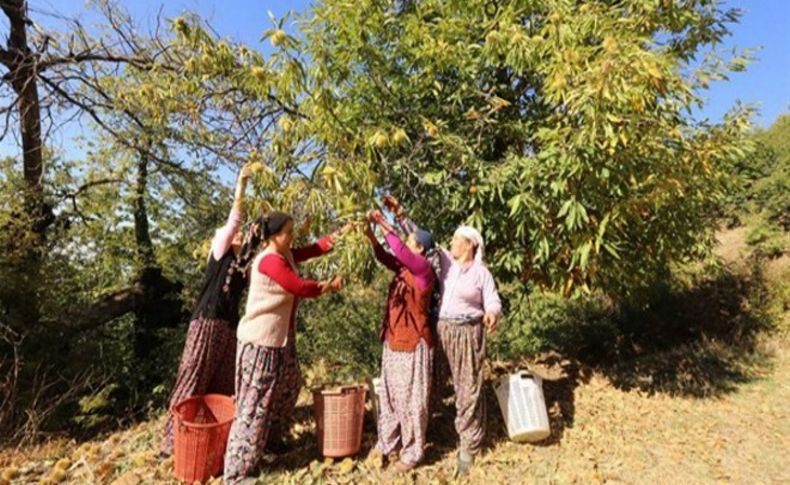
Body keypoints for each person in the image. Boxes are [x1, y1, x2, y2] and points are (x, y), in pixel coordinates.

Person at [223, 213, 348, 484]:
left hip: (281, 341)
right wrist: (328, 286)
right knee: (253, 407)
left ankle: (269, 441)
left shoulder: (285, 254)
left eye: (292, 231)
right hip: (261, 343)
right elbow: (299, 286)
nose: (291, 237)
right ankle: (236, 472)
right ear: (270, 237)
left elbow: (315, 248)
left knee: (290, 385)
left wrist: (346, 232)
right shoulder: (268, 261)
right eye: (286, 233)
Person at [382, 196, 502, 477]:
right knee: (432, 383)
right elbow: (422, 241)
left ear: (470, 244)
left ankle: (468, 445)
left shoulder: (481, 274)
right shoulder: (446, 262)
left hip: (466, 332)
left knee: (467, 387)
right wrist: (400, 215)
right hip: (440, 329)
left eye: (457, 240)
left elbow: (492, 300)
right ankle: (427, 432)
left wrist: (492, 313)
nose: (452, 243)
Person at [161, 164, 258, 456]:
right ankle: (172, 441)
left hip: (228, 329)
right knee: (193, 378)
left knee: (223, 386)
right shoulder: (219, 254)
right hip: (206, 323)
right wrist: (241, 185)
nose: (238, 236)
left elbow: (255, 248)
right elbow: (234, 220)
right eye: (233, 236)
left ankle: (213, 438)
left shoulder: (243, 266)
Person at [364, 209, 435, 472]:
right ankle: (388, 444)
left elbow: (399, 252)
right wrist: (371, 236)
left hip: (413, 343)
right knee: (391, 397)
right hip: (394, 339)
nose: (406, 245)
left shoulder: (423, 270)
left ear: (421, 249)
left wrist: (382, 222)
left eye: (411, 242)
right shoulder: (406, 268)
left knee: (412, 401)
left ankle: (412, 452)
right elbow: (386, 256)